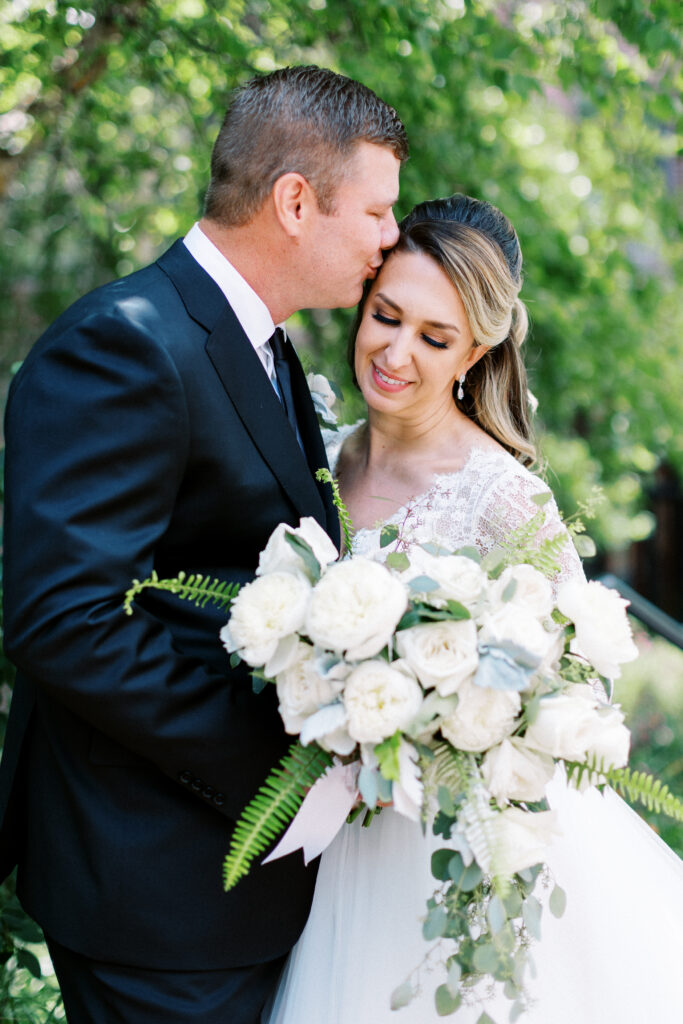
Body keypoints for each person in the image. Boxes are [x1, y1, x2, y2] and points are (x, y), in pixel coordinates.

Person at [0, 65, 408, 1024]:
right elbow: (67, 621)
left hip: (231, 890)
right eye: (378, 212)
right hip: (155, 886)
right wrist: (283, 780)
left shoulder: (264, 342)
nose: (391, 239)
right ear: (296, 202)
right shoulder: (128, 342)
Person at [265, 195, 683, 1024]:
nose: (394, 352)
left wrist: (452, 723)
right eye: (386, 315)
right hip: (322, 843)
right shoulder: (315, 456)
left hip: (440, 853)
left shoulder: (503, 496)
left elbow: (582, 698)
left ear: (476, 350)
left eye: (434, 337)